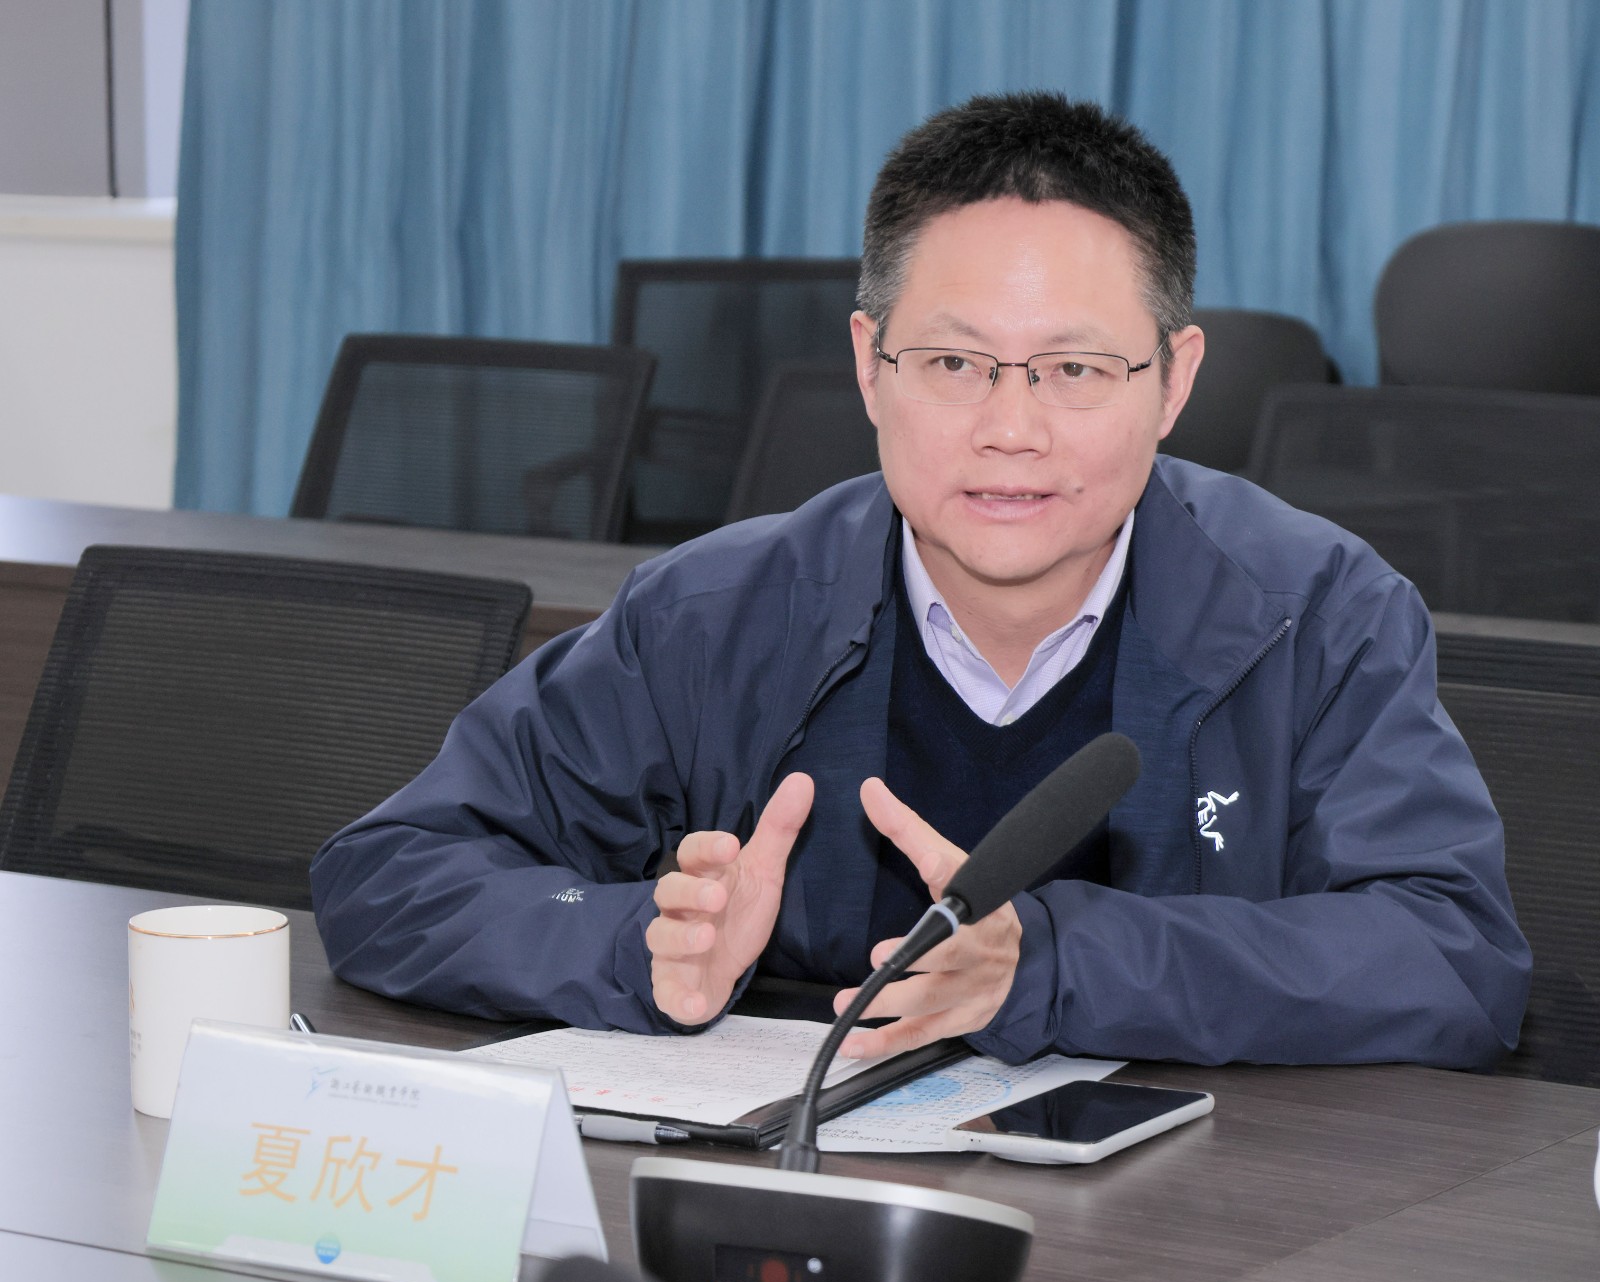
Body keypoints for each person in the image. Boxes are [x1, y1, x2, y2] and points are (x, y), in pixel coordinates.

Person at [312, 92, 1529, 1069]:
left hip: (1208, 1245)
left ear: (1174, 381)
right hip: (809, 1217)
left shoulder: (1317, 617)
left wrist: (1051, 964)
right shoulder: (712, 615)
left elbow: (1453, 958)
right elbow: (390, 873)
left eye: (1075, 370)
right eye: (953, 362)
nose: (1010, 429)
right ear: (868, 364)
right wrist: (638, 945)